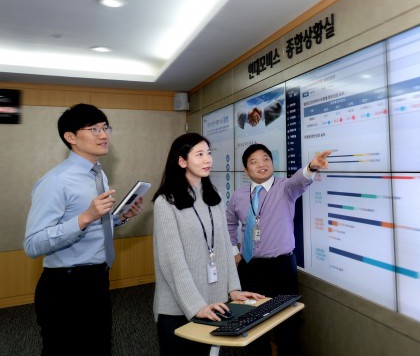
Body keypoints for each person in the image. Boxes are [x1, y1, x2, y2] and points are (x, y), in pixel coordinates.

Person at [24, 103, 144, 356]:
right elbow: (33, 244)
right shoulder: (56, 181)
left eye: (105, 128)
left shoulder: (97, 174)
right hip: (66, 287)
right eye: (94, 129)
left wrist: (117, 218)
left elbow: (92, 224)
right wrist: (86, 217)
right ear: (71, 137)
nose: (104, 135)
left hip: (97, 278)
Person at [153, 132, 264, 356]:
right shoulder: (165, 202)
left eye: (209, 153)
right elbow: (173, 262)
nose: (207, 160)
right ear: (182, 161)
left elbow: (223, 248)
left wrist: (233, 289)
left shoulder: (215, 198)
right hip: (177, 308)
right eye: (199, 154)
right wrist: (196, 306)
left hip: (214, 303)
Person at [227, 144, 332, 356]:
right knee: (252, 324)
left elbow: (299, 180)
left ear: (272, 163)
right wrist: (235, 254)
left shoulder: (285, 188)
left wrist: (311, 167)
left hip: (281, 268)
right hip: (249, 267)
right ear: (246, 171)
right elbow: (228, 223)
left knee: (287, 325)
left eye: (266, 159)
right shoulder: (238, 195)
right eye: (254, 162)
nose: (261, 164)